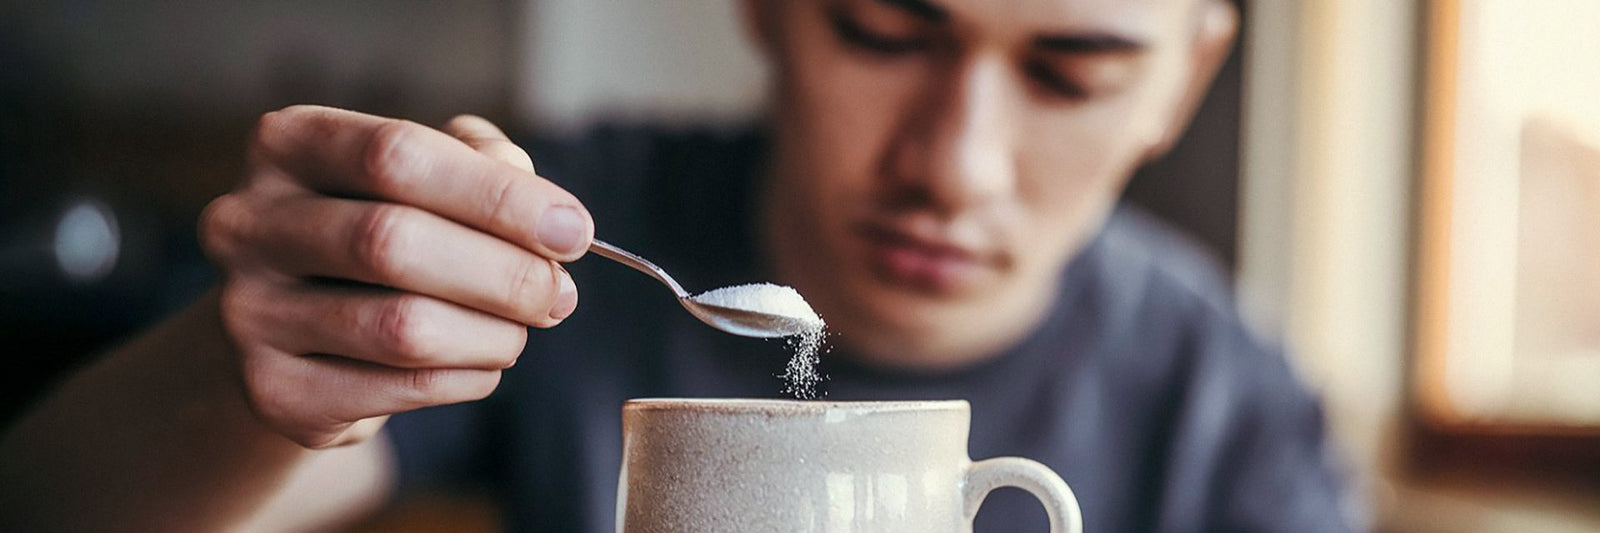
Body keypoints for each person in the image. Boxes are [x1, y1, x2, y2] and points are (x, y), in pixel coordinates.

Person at [0, 0, 1361, 531]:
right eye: (885, 31)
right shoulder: (566, 221)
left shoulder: (1224, 402)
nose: (955, 162)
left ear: (1184, 78)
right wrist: (253, 380)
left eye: (1072, 69)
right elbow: (51, 501)